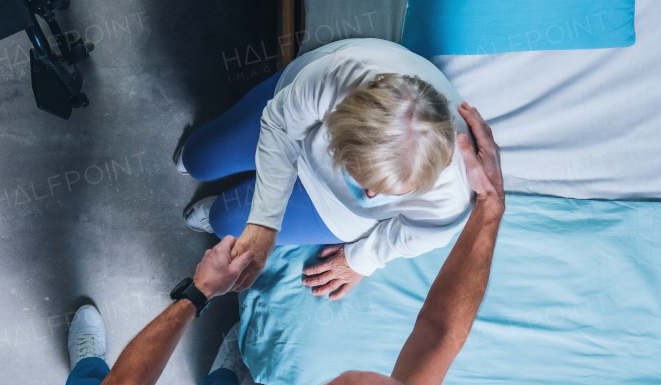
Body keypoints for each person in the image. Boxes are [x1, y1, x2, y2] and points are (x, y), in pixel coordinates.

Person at [59, 103, 504, 385]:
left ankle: (85, 364)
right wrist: (489, 208)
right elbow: (438, 334)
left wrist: (199, 292)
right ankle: (219, 377)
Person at [177, 38, 474, 299]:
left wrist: (360, 261)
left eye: (383, 191)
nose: (369, 196)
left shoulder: (453, 196)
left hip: (333, 209)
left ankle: (223, 207)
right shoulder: (340, 75)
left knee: (223, 221)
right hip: (295, 130)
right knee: (198, 159)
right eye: (360, 177)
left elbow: (416, 235)